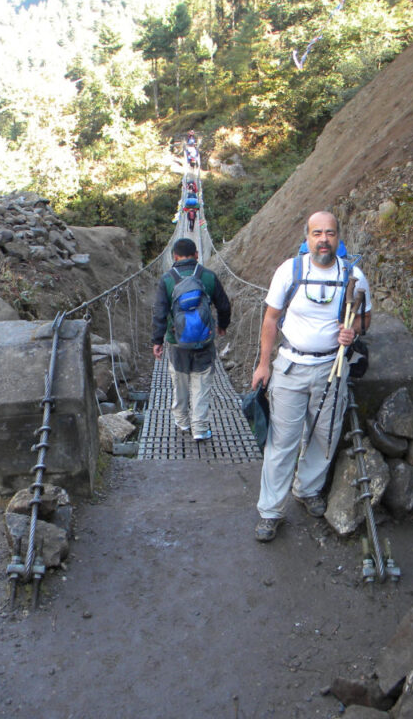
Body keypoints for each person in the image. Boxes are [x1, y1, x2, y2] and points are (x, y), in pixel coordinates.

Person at [249, 211, 371, 542]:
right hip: (289, 367)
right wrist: (263, 364)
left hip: (332, 368)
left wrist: (352, 331)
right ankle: (271, 511)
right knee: (283, 441)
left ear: (338, 237)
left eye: (330, 233)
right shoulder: (289, 272)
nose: (323, 239)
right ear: (307, 238)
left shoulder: (353, 276)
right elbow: (271, 319)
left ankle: (308, 488)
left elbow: (364, 321)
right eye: (317, 233)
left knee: (325, 436)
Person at [152, 238, 232, 441]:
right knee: (201, 385)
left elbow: (159, 313)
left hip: (177, 342)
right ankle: (200, 428)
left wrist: (157, 341)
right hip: (204, 342)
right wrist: (222, 326)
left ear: (174, 257)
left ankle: (182, 421)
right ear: (197, 255)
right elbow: (224, 306)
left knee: (180, 384)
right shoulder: (208, 276)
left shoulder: (167, 279)